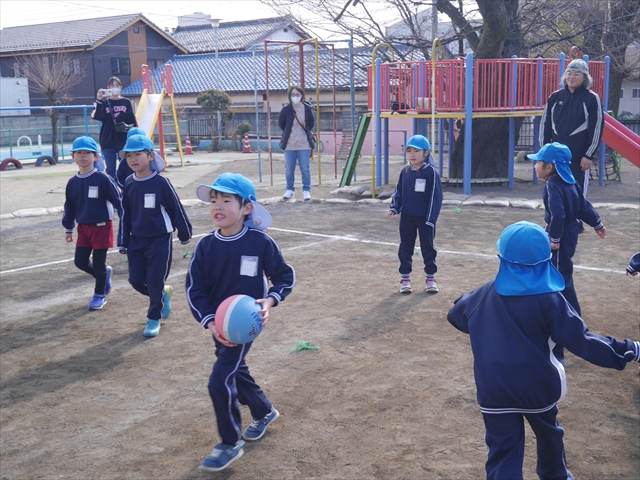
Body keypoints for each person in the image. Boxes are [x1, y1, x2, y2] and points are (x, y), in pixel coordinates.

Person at [447, 221, 640, 480]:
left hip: (494, 390)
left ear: (502, 257)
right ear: (546, 260)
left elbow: (456, 315)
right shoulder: (550, 300)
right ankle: (556, 475)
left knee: (503, 452)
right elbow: (582, 340)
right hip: (537, 387)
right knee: (550, 436)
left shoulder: (484, 294)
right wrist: (629, 349)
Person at [186, 173, 295, 472]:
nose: (217, 206)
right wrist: (210, 321)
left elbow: (284, 276)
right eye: (213, 201)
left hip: (245, 323)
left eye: (226, 200)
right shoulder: (206, 246)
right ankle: (264, 411)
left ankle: (229, 443)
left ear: (247, 208)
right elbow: (195, 289)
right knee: (236, 369)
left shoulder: (260, 242)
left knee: (219, 380)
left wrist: (269, 301)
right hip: (217, 323)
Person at [117, 135, 192, 337]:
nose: (133, 159)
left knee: (155, 280)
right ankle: (162, 295)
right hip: (136, 241)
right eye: (128, 155)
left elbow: (175, 208)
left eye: (138, 154)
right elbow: (125, 214)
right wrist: (123, 241)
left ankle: (153, 318)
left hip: (160, 240)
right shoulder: (129, 183)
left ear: (151, 156)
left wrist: (184, 233)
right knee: (136, 280)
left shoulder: (161, 183)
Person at [528, 142, 606, 315]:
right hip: (570, 231)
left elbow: (558, 215)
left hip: (560, 233)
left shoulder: (552, 185)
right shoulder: (571, 181)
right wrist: (597, 223)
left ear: (549, 167)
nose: (534, 166)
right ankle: (551, 309)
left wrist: (554, 238)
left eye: (538, 162)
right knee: (557, 269)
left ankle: (570, 314)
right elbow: (583, 206)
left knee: (559, 274)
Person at [62, 136, 122, 310]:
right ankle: (103, 275)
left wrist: (127, 223)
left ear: (96, 157)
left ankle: (99, 295)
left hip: (102, 227)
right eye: (79, 152)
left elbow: (118, 201)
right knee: (80, 262)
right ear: (73, 156)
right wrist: (68, 228)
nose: (83, 156)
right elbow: (70, 207)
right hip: (83, 228)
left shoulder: (103, 179)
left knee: (98, 262)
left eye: (87, 153)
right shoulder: (73, 182)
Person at [540, 59, 604, 198]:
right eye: (569, 73)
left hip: (578, 160)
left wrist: (588, 155)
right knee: (555, 197)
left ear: (585, 77)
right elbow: (545, 125)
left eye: (577, 74)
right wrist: (544, 154)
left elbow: (596, 129)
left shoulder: (592, 98)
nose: (572, 77)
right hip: (556, 160)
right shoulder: (555, 97)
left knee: (576, 198)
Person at [388, 135, 442, 294]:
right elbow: (399, 192)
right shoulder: (405, 172)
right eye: (409, 150)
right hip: (407, 217)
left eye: (416, 151)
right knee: (405, 247)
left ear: (426, 153)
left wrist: (431, 219)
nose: (412, 154)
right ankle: (405, 279)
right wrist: (395, 207)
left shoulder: (431, 173)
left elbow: (436, 197)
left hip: (425, 219)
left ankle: (430, 278)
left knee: (428, 248)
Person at [92, 76, 138, 181]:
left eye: (117, 85)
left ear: (121, 87)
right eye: (112, 86)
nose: (114, 88)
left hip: (123, 139)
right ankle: (111, 189)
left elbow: (132, 121)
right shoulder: (104, 102)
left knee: (126, 167)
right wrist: (99, 100)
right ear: (108, 88)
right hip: (108, 139)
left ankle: (126, 187)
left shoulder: (126, 102)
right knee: (110, 169)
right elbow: (98, 116)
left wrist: (134, 136)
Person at [278, 85, 315, 201]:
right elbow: (281, 124)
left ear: (302, 95)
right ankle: (290, 190)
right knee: (289, 169)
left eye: (297, 94)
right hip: (289, 144)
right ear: (289, 96)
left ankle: (306, 191)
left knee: (305, 169)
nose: (295, 97)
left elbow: (311, 124)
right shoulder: (286, 109)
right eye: (293, 94)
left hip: (304, 144)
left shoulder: (307, 109)